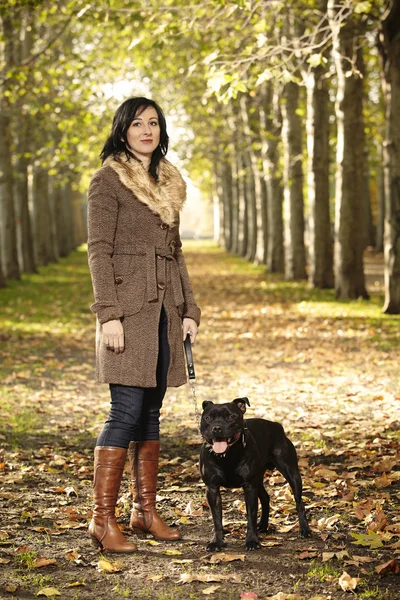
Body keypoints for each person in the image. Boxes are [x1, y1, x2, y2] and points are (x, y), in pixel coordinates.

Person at [87, 97, 201, 553]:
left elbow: (176, 254)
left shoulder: (169, 182)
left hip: (164, 311)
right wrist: (108, 315)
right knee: (125, 411)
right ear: (123, 130)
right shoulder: (107, 181)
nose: (147, 130)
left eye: (153, 123)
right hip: (127, 310)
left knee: (151, 411)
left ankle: (144, 512)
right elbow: (98, 249)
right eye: (137, 123)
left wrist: (190, 310)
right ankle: (101, 520)